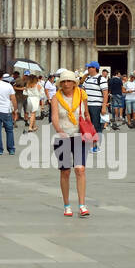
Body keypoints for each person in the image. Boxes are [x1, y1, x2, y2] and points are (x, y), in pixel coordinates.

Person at [49, 69, 89, 217]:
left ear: (74, 83)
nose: (66, 84)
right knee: (65, 171)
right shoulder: (56, 98)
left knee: (80, 169)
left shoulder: (81, 96)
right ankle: (67, 205)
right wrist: (60, 130)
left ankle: (82, 204)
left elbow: (86, 114)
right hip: (63, 137)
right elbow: (54, 117)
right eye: (64, 81)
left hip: (79, 136)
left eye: (69, 81)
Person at [80, 62, 106, 146]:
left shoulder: (101, 79)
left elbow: (105, 94)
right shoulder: (87, 79)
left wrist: (104, 107)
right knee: (87, 125)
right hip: (86, 105)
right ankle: (90, 143)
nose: (88, 69)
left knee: (96, 125)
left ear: (95, 68)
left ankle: (96, 145)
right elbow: (82, 91)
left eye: (89, 67)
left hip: (96, 106)